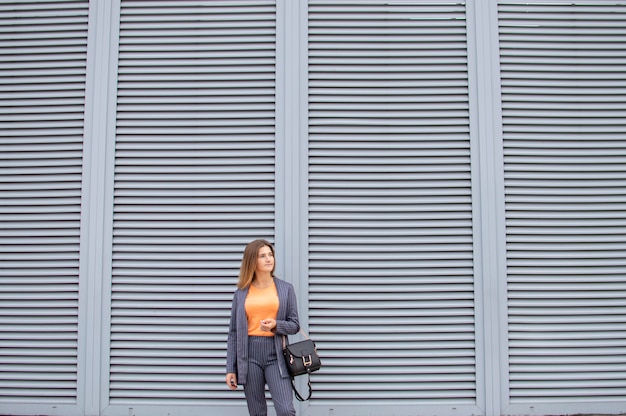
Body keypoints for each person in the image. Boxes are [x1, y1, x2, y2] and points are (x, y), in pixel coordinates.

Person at [226, 239, 300, 416]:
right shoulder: (241, 293)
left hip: (276, 354)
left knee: (285, 410)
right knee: (257, 412)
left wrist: (276, 325)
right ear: (252, 261)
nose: (269, 259)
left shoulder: (285, 289)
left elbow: (295, 325)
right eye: (262, 256)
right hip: (249, 355)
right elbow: (233, 333)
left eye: (270, 254)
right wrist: (230, 368)